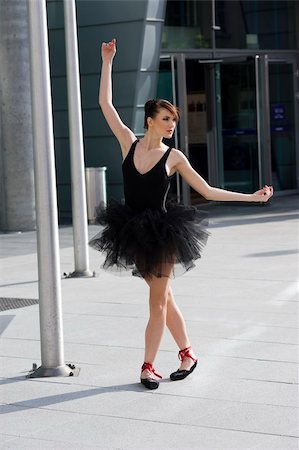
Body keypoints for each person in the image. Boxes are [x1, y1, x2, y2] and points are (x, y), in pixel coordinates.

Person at [89, 38, 273, 390]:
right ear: (150, 121)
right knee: (166, 297)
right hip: (132, 230)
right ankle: (188, 353)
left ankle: (146, 366)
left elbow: (206, 191)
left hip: (162, 235)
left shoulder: (173, 157)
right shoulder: (128, 142)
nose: (172, 124)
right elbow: (105, 103)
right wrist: (108, 60)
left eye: (173, 120)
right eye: (165, 119)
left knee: (156, 302)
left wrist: (251, 198)